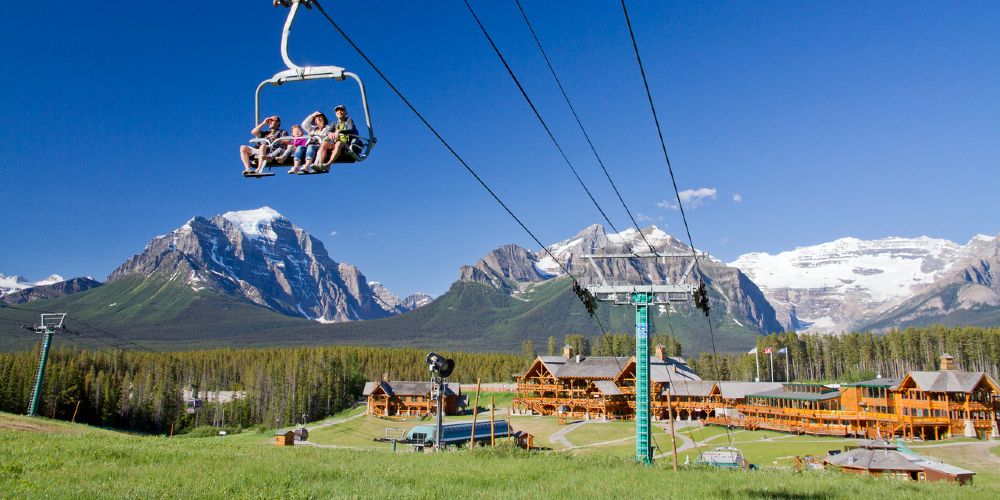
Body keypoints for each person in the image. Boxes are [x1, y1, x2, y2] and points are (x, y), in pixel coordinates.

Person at [315, 104, 359, 169]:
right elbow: (328, 131)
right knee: (324, 144)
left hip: (346, 143)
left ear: (345, 112)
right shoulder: (335, 123)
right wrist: (329, 133)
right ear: (336, 113)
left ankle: (328, 164)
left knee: (339, 143)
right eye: (337, 111)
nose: (339, 112)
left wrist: (340, 131)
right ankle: (320, 164)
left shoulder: (348, 120)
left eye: (341, 110)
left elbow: (351, 129)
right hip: (334, 142)